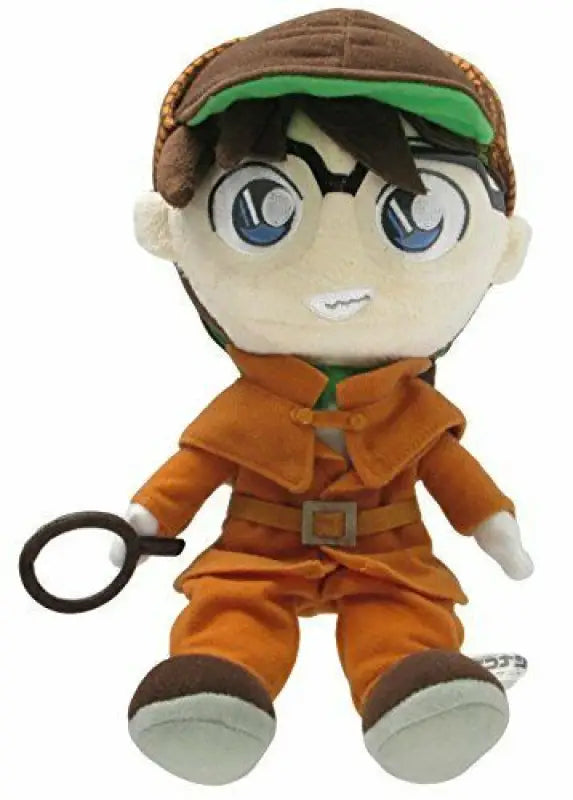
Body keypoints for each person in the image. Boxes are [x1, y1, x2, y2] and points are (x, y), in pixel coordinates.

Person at [119, 8, 533, 786]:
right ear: (168, 229)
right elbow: (190, 473)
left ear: (499, 249)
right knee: (230, 612)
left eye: (416, 216)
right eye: (259, 209)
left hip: (387, 557)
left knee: (403, 618)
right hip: (255, 551)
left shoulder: (414, 413)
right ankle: (216, 689)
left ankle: (414, 693)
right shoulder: (244, 408)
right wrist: (142, 523)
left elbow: (455, 477)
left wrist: (493, 524)